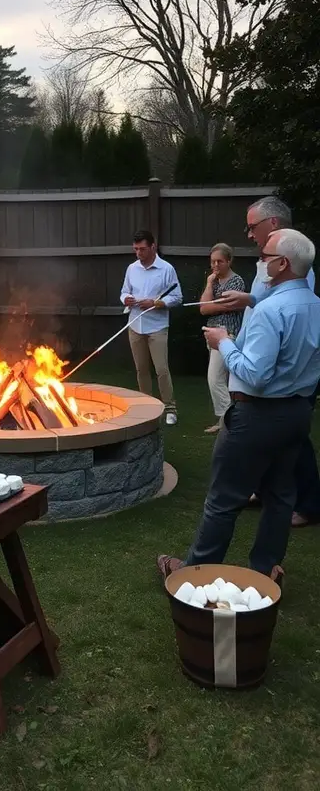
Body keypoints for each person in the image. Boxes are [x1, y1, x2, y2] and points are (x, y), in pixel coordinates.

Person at [158, 229, 320, 584]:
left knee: (223, 499)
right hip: (297, 414)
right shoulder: (315, 305)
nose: (260, 260)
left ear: (283, 264)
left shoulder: (269, 310)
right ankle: (266, 570)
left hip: (256, 416)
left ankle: (192, 575)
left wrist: (224, 342)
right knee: (280, 496)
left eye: (265, 256)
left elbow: (254, 374)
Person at [219, 196, 320, 527]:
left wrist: (225, 344)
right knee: (282, 445)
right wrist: (249, 299)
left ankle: (308, 504)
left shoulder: (294, 263)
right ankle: (266, 492)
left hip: (281, 388)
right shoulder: (272, 262)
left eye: (252, 227)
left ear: (273, 224)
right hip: (273, 382)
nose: (249, 235)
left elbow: (288, 311)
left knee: (293, 445)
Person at [120, 229, 183, 425]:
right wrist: (126, 299)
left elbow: (177, 297)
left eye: (143, 249)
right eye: (136, 249)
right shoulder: (132, 268)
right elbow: (124, 292)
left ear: (153, 246)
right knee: (141, 369)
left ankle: (170, 408)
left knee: (161, 369)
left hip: (157, 326)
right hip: (135, 324)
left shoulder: (166, 269)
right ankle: (147, 408)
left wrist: (157, 303)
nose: (139, 253)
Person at [199, 243, 245, 434]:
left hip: (228, 335)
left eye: (219, 261)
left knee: (214, 379)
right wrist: (209, 283)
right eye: (212, 262)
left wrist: (211, 306)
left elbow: (210, 307)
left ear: (229, 261)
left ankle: (231, 421)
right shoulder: (215, 282)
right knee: (223, 380)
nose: (215, 266)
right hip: (212, 334)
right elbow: (203, 307)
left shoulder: (236, 282)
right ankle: (224, 422)